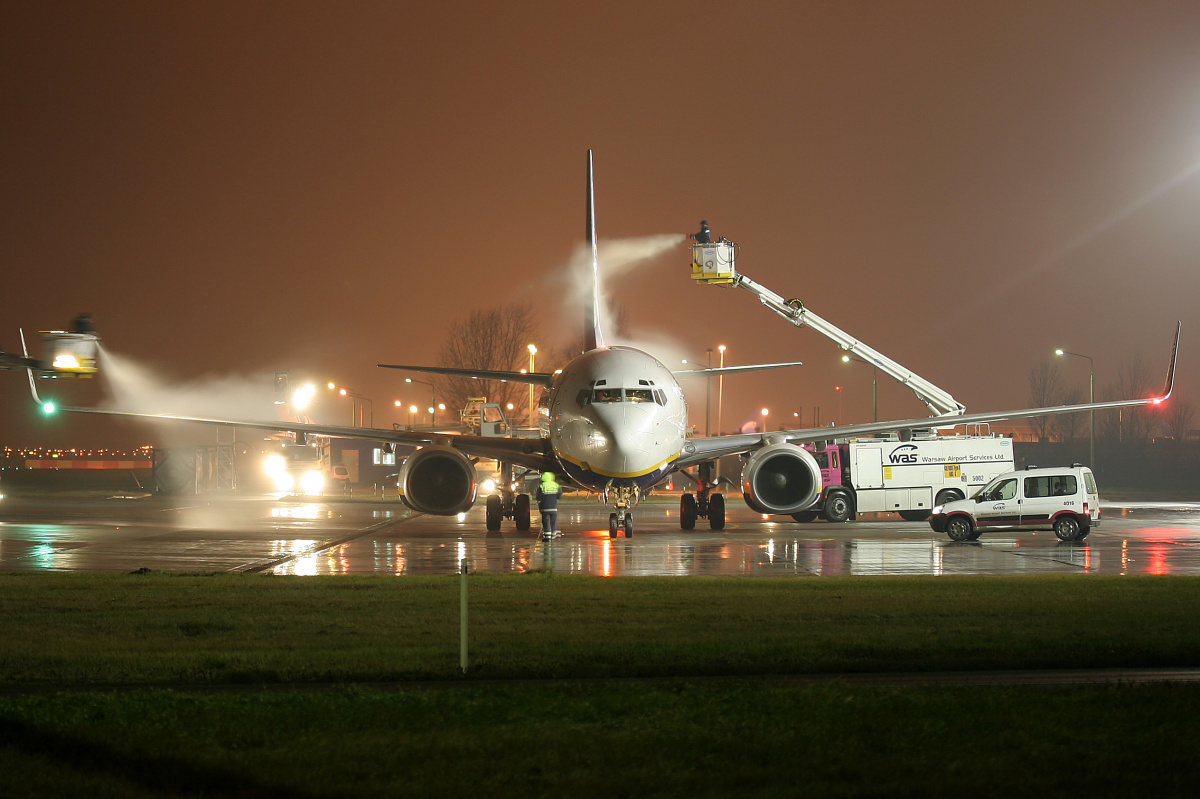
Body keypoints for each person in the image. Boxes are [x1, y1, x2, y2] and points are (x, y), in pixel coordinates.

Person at [536, 471, 562, 539]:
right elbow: (559, 495)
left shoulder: (542, 485)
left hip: (545, 508)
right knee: (553, 521)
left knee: (546, 521)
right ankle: (554, 533)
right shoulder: (556, 485)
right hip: (553, 507)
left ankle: (547, 535)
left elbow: (539, 497)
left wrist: (539, 504)